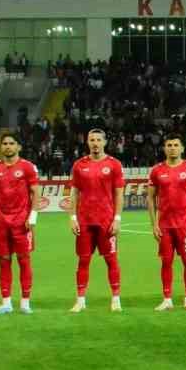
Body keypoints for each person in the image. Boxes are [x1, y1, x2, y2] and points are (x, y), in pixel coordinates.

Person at [66, 127, 125, 312]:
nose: (95, 144)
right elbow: (74, 192)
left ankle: (115, 299)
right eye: (92, 140)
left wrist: (117, 218)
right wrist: (72, 217)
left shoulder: (114, 164)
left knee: (111, 260)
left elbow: (119, 194)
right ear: (87, 142)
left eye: (99, 140)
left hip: (106, 221)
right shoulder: (79, 165)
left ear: (105, 142)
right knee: (83, 261)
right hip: (84, 221)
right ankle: (81, 300)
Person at [0, 131, 40, 314]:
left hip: (21, 223)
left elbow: (36, 192)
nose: (8, 146)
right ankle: (6, 302)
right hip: (1, 223)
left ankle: (25, 302)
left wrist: (32, 218)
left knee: (24, 261)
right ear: (1, 147)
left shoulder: (27, 167)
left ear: (18, 147)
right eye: (5, 143)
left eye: (11, 143)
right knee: (4, 261)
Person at [147, 134, 186, 310]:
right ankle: (167, 299)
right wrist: (154, 224)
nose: (172, 148)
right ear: (164, 148)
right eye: (169, 145)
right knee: (166, 261)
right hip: (165, 226)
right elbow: (150, 199)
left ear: (182, 148)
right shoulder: (156, 171)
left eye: (176, 145)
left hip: (185, 225)